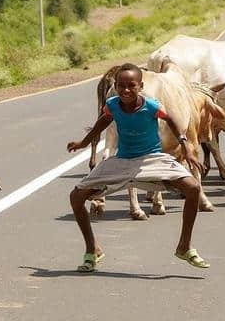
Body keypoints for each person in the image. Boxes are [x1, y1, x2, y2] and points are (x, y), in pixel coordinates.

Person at [66, 63, 209, 272]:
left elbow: (171, 119)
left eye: (131, 86)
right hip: (123, 160)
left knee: (193, 188)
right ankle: (92, 249)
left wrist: (185, 146)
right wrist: (84, 142)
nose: (125, 90)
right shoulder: (113, 104)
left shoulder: (151, 105)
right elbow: (103, 121)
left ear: (140, 86)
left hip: (152, 159)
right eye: (121, 86)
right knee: (76, 197)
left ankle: (184, 246)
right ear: (115, 86)